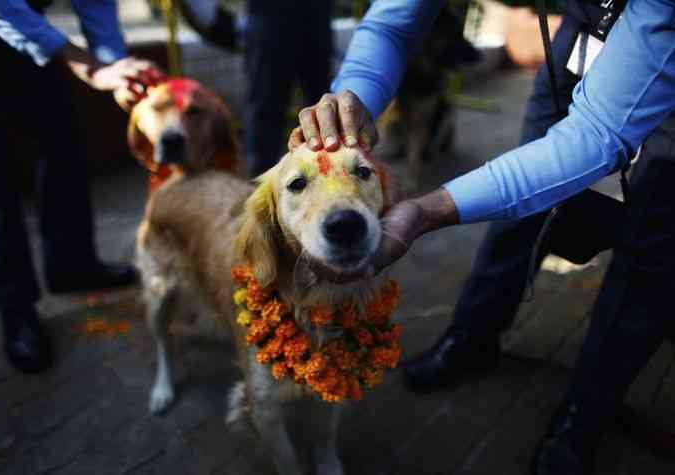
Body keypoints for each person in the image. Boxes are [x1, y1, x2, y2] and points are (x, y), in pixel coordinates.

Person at [288, 1, 675, 474]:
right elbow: (393, 21)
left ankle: (586, 412)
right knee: (519, 207)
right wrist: (353, 100)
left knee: (651, 250)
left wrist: (427, 212)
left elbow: (595, 133)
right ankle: (474, 336)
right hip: (581, 40)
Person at [0, 0, 163, 373]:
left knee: (61, 137)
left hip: (27, 20)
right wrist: (86, 65)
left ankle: (71, 265)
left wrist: (114, 67)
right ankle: (17, 310)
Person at [180, 0, 334, 177]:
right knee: (265, 108)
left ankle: (328, 168)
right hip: (272, 24)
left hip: (306, 20)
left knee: (319, 104)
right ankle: (260, 179)